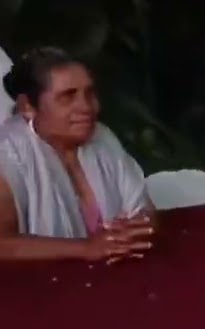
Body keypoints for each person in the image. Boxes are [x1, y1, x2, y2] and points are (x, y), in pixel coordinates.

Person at [0, 47, 154, 262]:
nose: (86, 107)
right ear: (27, 106)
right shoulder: (7, 155)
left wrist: (132, 230)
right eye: (67, 96)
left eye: (89, 93)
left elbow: (146, 213)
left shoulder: (103, 138)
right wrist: (85, 249)